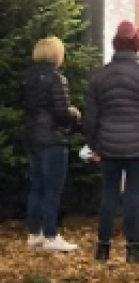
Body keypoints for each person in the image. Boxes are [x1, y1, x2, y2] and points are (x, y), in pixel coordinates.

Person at [84, 18, 139, 263]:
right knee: (134, 195)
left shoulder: (99, 77)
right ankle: (133, 249)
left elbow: (91, 117)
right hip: (137, 146)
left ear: (114, 45)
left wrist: (93, 145)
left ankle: (103, 248)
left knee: (108, 194)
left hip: (107, 144)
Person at [22, 36, 80, 253]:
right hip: (53, 139)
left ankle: (34, 233)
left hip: (33, 137)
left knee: (36, 186)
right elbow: (61, 113)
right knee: (53, 189)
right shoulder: (57, 79)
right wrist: (74, 115)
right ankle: (51, 235)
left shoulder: (27, 78)